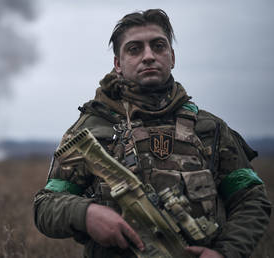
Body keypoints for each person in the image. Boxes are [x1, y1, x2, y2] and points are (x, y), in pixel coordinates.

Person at [33, 9, 271, 258]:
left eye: (158, 46)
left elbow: (252, 200)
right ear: (118, 64)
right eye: (134, 49)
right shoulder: (91, 130)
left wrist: (226, 253)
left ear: (172, 57)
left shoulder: (210, 128)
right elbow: (45, 205)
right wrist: (86, 214)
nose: (148, 56)